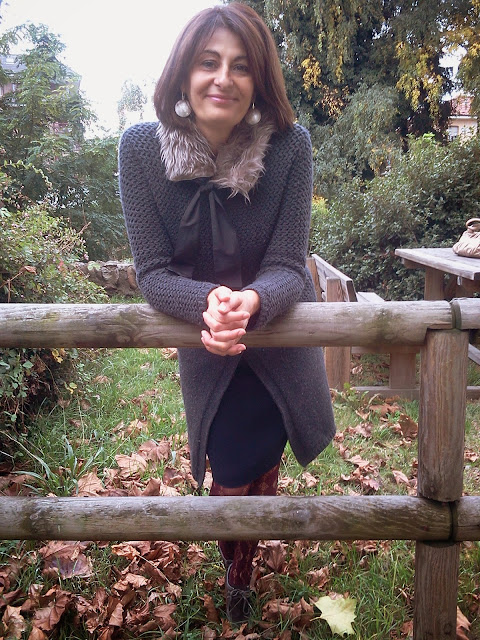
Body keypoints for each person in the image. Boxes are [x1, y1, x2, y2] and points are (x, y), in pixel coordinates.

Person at [119, 2, 335, 624]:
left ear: (258, 80)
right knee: (228, 473)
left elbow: (290, 264)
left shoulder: (290, 148)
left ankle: (244, 569)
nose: (223, 78)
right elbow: (152, 272)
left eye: (241, 66)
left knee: (263, 464)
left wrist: (254, 301)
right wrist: (208, 306)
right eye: (208, 62)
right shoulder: (141, 151)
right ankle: (233, 560)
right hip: (208, 346)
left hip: (277, 341)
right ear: (183, 73)